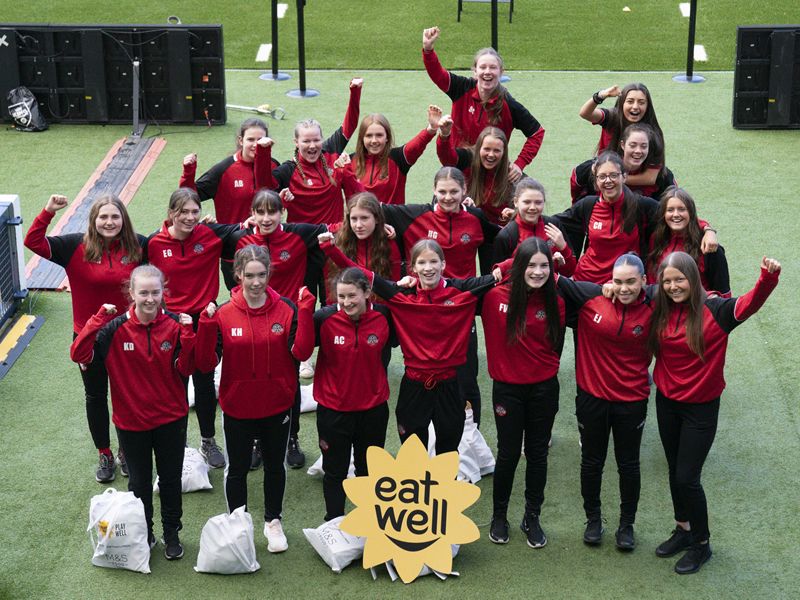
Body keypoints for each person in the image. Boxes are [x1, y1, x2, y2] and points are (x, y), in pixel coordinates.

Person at [648, 252, 780, 574]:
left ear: (693, 279)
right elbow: (627, 289)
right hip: (667, 402)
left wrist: (767, 278)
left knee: (687, 477)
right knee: (673, 471)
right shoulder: (658, 307)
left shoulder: (716, 310)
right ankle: (683, 529)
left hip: (701, 410)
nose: (673, 286)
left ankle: (702, 544)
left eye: (679, 279)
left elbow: (748, 304)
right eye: (667, 281)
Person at [320, 234, 499, 454]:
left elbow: (507, 273)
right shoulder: (399, 294)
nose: (428, 268)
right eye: (421, 263)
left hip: (450, 386)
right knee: (413, 453)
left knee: (449, 451)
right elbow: (360, 273)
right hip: (414, 387)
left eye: (434, 261)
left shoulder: (462, 290)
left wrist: (506, 264)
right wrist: (330, 249)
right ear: (412, 268)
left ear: (443, 264)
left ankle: (443, 489)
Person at [196, 245, 315, 553]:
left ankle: (273, 521)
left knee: (276, 466)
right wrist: (206, 328)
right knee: (236, 468)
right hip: (238, 407)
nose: (256, 282)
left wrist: (304, 313)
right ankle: (238, 523)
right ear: (238, 275)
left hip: (277, 406)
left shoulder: (286, 308)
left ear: (269, 273)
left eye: (262, 274)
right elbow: (207, 363)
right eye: (249, 276)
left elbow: (301, 353)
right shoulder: (223, 313)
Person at [70, 265, 195, 560]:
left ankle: (172, 532)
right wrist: (98, 318)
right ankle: (146, 532)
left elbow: (188, 368)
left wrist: (190, 335)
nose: (150, 299)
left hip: (171, 419)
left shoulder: (178, 324)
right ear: (131, 293)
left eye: (155, 292)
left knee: (170, 479)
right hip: (131, 423)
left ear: (164, 292)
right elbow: (78, 354)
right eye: (144, 293)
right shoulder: (112, 329)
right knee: (138, 482)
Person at [24, 194, 146, 483]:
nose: (109, 222)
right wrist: (48, 212)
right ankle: (104, 453)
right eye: (103, 217)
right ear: (93, 220)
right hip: (88, 338)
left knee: (127, 396)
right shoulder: (74, 246)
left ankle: (125, 451)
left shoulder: (139, 245)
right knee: (95, 396)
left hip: (127, 334)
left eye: (115, 216)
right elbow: (33, 242)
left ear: (123, 219)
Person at [381, 167, 500, 426]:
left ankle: (472, 435)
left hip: (461, 308)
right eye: (442, 191)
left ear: (464, 192)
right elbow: (370, 209)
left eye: (454, 191)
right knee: (423, 371)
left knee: (467, 377)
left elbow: (503, 237)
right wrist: (390, 232)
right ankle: (423, 436)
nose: (448, 197)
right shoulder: (414, 215)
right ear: (434, 191)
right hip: (423, 308)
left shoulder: (475, 218)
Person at [556, 254, 655, 551]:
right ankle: (593, 521)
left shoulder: (655, 306)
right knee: (592, 462)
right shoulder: (590, 299)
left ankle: (627, 525)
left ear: (644, 282)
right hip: (592, 400)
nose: (624, 289)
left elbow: (687, 289)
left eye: (631, 282)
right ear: (610, 280)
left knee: (629, 464)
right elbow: (547, 275)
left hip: (632, 401)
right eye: (618, 282)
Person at [228, 189, 328, 468]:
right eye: (260, 212)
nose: (266, 217)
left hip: (287, 320)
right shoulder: (240, 238)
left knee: (290, 380)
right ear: (252, 214)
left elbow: (334, 228)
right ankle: (257, 441)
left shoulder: (298, 234)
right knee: (254, 376)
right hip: (252, 317)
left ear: (282, 212)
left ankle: (291, 436)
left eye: (272, 211)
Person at [146, 188, 241, 469]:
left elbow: (242, 227)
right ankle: (177, 443)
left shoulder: (211, 234)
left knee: (204, 382)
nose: (189, 217)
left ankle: (208, 440)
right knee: (173, 385)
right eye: (183, 212)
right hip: (171, 323)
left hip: (205, 321)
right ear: (171, 213)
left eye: (194, 211)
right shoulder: (152, 243)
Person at [481, 238, 565, 550]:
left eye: (544, 265)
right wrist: (503, 267)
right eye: (531, 265)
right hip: (507, 390)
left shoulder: (556, 299)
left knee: (538, 453)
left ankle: (532, 516)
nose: (538, 271)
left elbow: (556, 343)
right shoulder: (492, 296)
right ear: (519, 267)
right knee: (507, 452)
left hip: (544, 389)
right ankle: (498, 516)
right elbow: (460, 286)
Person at [555, 152, 716, 285]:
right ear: (596, 181)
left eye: (613, 175)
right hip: (587, 283)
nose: (608, 181)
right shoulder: (587, 205)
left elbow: (676, 216)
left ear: (624, 177)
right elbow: (556, 221)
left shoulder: (641, 205)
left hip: (626, 284)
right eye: (602, 176)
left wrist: (708, 229)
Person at [312, 267, 396, 521]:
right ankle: (334, 522)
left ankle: (370, 524)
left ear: (367, 293)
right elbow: (302, 348)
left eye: (352, 296)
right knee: (334, 472)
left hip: (373, 410)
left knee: (369, 472)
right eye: (341, 297)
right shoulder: (323, 318)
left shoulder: (384, 316)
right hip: (333, 411)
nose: (346, 302)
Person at [422, 26, 545, 183]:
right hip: (459, 166)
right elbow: (437, 74)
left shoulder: (509, 104)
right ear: (475, 71)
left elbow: (537, 133)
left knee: (527, 196)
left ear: (501, 72)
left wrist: (519, 164)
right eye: (483, 67)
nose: (487, 72)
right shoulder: (461, 88)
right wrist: (428, 49)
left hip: (493, 171)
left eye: (493, 68)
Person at [272, 79, 364, 226]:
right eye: (306, 141)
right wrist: (262, 151)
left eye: (316, 140)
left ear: (322, 139)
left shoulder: (331, 151)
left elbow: (350, 125)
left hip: (335, 239)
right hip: (303, 242)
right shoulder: (287, 171)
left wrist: (355, 92)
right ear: (296, 142)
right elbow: (262, 189)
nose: (312, 146)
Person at [180, 118, 277, 224]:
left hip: (267, 236)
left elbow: (281, 200)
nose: (256, 144)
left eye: (260, 140)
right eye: (250, 139)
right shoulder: (223, 169)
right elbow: (187, 197)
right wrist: (188, 173)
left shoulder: (274, 166)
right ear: (241, 140)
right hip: (234, 237)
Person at [342, 106, 439, 205]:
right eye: (369, 136)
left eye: (379, 135)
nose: (374, 140)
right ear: (362, 138)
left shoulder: (398, 158)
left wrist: (431, 128)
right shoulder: (349, 162)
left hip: (391, 221)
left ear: (387, 137)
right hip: (358, 220)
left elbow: (417, 144)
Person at [648, 187, 730, 297]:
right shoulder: (655, 239)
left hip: (697, 311)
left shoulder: (709, 247)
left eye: (682, 209)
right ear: (663, 214)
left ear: (691, 212)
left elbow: (723, 294)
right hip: (661, 309)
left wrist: (709, 230)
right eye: (670, 210)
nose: (676, 214)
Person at [436, 118, 514, 226]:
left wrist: (515, 215)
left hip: (495, 233)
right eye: (487, 149)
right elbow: (447, 159)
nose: (491, 154)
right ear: (478, 148)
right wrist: (444, 135)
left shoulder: (512, 175)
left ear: (504, 153)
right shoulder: (467, 159)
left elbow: (527, 206)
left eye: (496, 150)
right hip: (463, 227)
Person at [570, 123, 676, 203]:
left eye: (643, 146)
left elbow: (676, 201)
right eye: (633, 145)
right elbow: (577, 180)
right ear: (623, 145)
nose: (638, 151)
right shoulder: (595, 168)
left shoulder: (662, 176)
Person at [493, 177, 576, 276]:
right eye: (527, 202)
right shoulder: (506, 236)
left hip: (551, 290)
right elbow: (499, 277)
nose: (532, 207)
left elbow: (570, 271)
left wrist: (564, 248)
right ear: (516, 202)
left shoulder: (553, 225)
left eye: (538, 202)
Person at [327, 192, 404, 293]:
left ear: (376, 218)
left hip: (379, 307)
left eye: (364, 218)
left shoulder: (389, 245)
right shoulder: (339, 242)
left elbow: (394, 287)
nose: (358, 225)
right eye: (354, 219)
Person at [579, 83, 665, 168]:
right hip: (607, 177)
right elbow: (585, 114)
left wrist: (615, 176)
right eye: (630, 101)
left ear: (647, 106)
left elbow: (650, 178)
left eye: (641, 102)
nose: (635, 106)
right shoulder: (612, 117)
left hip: (629, 179)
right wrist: (600, 95)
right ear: (622, 103)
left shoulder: (653, 133)